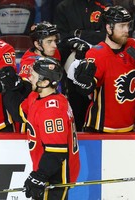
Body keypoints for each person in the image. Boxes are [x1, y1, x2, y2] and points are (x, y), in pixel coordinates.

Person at [0, 57, 80, 200]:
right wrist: (9, 87)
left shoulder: (53, 110)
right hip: (48, 169)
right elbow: (18, 113)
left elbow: (56, 151)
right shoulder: (37, 97)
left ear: (44, 82)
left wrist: (40, 176)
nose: (29, 78)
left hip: (56, 174)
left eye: (33, 76)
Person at [73, 5, 135, 132]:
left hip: (133, 125)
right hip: (102, 128)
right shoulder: (96, 54)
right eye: (121, 26)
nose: (127, 30)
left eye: (128, 25)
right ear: (109, 28)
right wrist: (83, 83)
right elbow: (86, 90)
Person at [53, 0, 110, 131]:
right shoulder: (64, 7)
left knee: (100, 100)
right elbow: (61, 38)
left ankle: (96, 128)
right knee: (76, 102)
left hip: (101, 58)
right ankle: (76, 132)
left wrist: (79, 34)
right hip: (73, 58)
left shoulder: (105, 6)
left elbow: (107, 35)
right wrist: (82, 39)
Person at [19, 21, 64, 91]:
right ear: (37, 44)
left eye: (55, 41)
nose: (54, 46)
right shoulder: (29, 63)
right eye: (49, 41)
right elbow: (25, 91)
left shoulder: (51, 51)